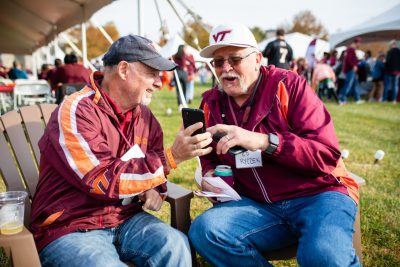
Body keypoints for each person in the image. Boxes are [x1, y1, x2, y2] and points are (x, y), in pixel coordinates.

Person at [30, 34, 213, 267]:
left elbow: (151, 169)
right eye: (152, 73)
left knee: (175, 245)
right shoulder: (77, 110)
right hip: (71, 225)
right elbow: (100, 179)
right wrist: (171, 158)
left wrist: (156, 188)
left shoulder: (145, 118)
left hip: (125, 219)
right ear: (124, 70)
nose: (159, 82)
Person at [188, 23, 361, 267]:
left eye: (235, 59)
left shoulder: (289, 85)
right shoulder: (211, 102)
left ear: (257, 58)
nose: (225, 68)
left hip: (318, 195)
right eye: (218, 62)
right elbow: (210, 156)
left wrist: (262, 141)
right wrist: (209, 173)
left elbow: (326, 154)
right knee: (205, 231)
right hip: (257, 204)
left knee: (324, 256)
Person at [339, 37, 364, 105]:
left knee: (354, 85)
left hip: (351, 70)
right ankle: (342, 99)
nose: (360, 44)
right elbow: (348, 59)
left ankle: (357, 99)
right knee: (348, 85)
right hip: (350, 70)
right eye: (359, 43)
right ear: (357, 42)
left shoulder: (351, 49)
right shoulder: (351, 49)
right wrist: (353, 66)